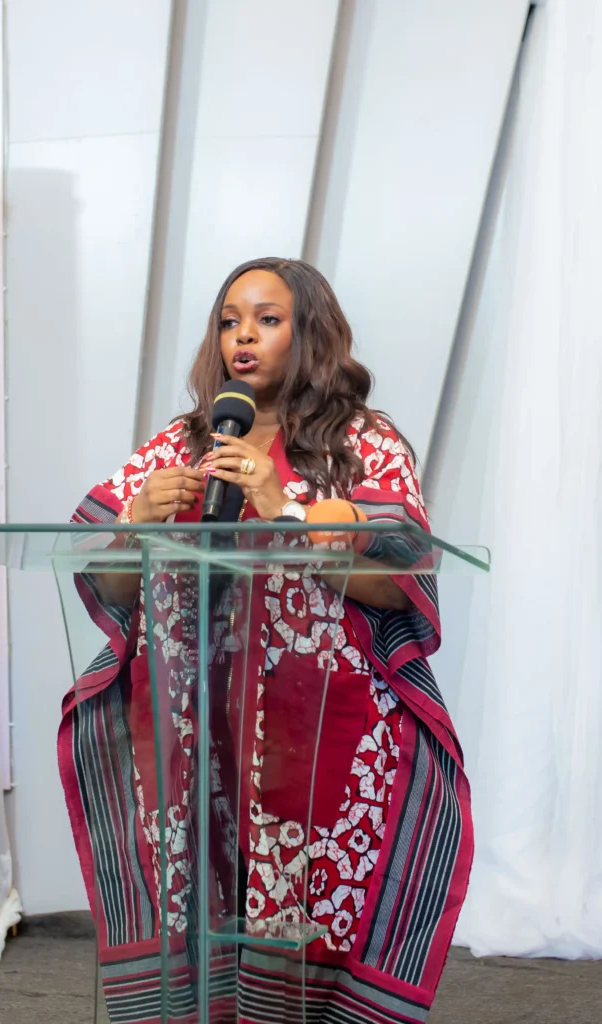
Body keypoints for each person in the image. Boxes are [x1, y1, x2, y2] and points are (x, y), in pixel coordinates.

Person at [58, 257, 472, 1024]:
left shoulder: (361, 442)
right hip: (194, 727)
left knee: (313, 921)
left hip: (317, 732)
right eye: (229, 321)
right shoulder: (182, 443)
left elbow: (395, 581)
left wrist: (283, 505)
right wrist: (136, 521)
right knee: (202, 904)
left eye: (267, 319)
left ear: (308, 332)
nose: (242, 336)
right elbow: (107, 585)